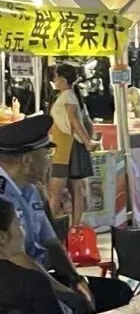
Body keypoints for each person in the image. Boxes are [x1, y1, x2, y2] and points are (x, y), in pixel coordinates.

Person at [0, 115, 140, 314]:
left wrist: (76, 279)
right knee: (75, 312)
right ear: (27, 160)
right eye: (47, 154)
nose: (51, 161)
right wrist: (62, 292)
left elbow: (51, 242)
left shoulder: (31, 190)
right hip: (18, 288)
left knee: (114, 294)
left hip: (41, 277)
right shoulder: (3, 196)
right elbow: (18, 257)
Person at [47, 64, 95, 227]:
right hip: (67, 145)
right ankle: (73, 228)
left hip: (66, 147)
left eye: (55, 77)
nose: (54, 80)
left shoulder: (68, 96)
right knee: (75, 189)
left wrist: (87, 141)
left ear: (62, 79)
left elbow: (73, 120)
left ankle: (50, 229)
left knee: (56, 191)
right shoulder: (68, 96)